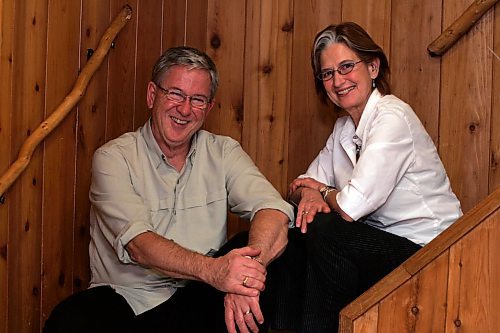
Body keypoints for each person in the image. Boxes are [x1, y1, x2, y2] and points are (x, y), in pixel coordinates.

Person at [44, 46, 294, 333]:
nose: (185, 109)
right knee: (70, 320)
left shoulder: (223, 151)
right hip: (129, 299)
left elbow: (272, 209)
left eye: (198, 99)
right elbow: (139, 245)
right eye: (175, 94)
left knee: (274, 246)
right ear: (153, 95)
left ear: (209, 108)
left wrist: (246, 275)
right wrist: (216, 271)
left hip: (201, 296)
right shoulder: (114, 158)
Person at [283, 22, 462, 332]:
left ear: (373, 67)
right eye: (328, 74)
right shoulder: (343, 128)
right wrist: (310, 195)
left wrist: (322, 190)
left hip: (431, 251)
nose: (338, 81)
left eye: (347, 67)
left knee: (323, 227)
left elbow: (350, 207)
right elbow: (299, 185)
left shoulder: (392, 116)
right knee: (300, 226)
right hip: (382, 243)